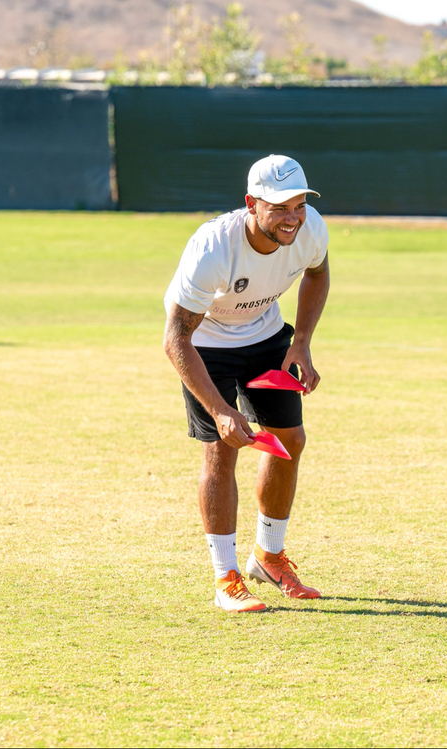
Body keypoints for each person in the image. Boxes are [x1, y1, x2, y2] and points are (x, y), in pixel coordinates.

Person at [163, 154, 331, 613]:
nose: (292, 217)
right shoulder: (214, 248)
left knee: (289, 440)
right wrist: (221, 411)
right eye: (279, 207)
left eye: (298, 205)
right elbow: (176, 339)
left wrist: (301, 343)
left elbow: (317, 272)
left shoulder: (311, 228)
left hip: (265, 335)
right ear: (251, 204)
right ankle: (226, 578)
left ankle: (268, 558)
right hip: (204, 342)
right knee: (222, 448)